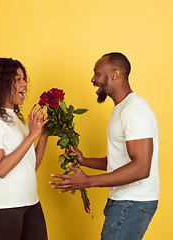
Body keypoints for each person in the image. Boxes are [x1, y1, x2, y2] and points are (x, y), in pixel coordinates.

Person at [49, 52, 159, 240]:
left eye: (97, 73)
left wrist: (88, 181)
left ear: (115, 74)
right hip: (124, 201)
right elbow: (122, 160)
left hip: (131, 201)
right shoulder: (122, 108)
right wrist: (84, 161)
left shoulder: (134, 110)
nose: (93, 79)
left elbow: (141, 167)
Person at [0, 58, 49, 240]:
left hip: (30, 201)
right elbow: (0, 169)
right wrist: (31, 136)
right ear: (0, 84)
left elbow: (30, 166)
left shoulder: (18, 121)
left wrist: (44, 134)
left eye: (24, 78)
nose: (25, 84)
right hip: (4, 206)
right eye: (18, 79)